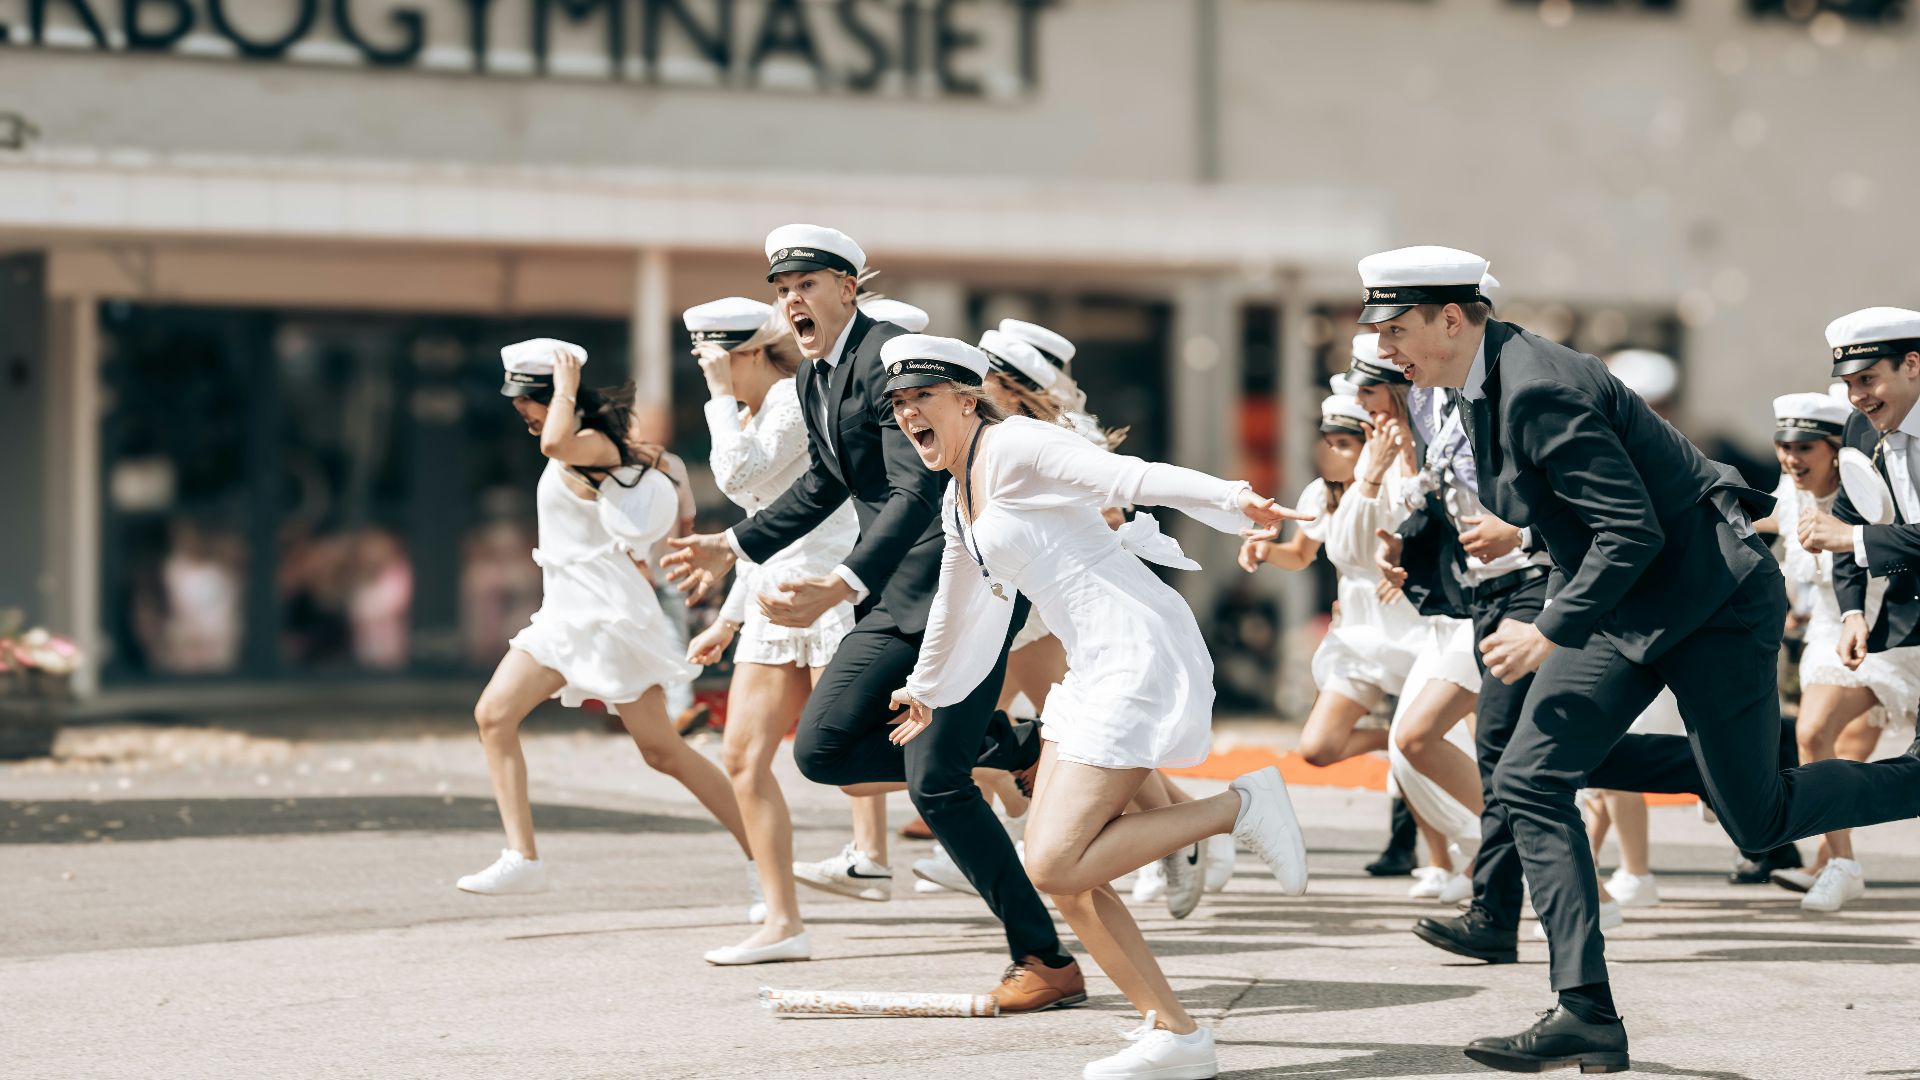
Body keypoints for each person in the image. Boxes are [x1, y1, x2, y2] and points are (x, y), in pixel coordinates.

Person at [1361, 248, 1920, 1073]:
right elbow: (1570, 513)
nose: (1385, 349)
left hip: (1713, 602)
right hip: (1630, 605)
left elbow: (1630, 529)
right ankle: (1584, 1011)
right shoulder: (1477, 382)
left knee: (1758, 817)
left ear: (1451, 318)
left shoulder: (1537, 383)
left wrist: (1547, 627)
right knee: (1528, 777)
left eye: (1396, 328)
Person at [663, 225, 1084, 1012]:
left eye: (808, 284)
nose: (791, 300)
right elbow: (825, 483)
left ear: (848, 289)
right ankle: (1015, 746)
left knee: (937, 786)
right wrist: (732, 542)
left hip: (964, 589)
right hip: (901, 596)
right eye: (780, 289)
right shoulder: (821, 376)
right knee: (822, 751)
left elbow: (916, 491)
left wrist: (839, 583)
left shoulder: (889, 358)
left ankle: (1045, 959)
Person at [882, 333, 1309, 1080]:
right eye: (898, 402)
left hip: (1131, 650)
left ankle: (1236, 809)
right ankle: (1175, 1035)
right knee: (1070, 881)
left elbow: (1129, 477)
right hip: (1091, 669)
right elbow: (957, 597)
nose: (907, 412)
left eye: (921, 396)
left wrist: (1232, 500)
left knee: (1052, 862)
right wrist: (924, 685)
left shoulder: (1014, 444)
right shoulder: (960, 493)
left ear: (963, 397)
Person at [457, 339, 752, 904]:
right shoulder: (615, 450)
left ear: (558, 398)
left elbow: (556, 439)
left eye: (530, 407)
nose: (528, 423)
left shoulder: (587, 444)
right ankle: (522, 857)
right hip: (568, 612)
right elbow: (676, 508)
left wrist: (566, 391)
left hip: (605, 615)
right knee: (494, 715)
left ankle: (765, 854)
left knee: (663, 752)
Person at [674, 298, 860, 965]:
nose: (705, 371)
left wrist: (720, 398)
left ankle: (1011, 762)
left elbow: (738, 477)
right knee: (742, 759)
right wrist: (727, 620)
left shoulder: (788, 399)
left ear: (744, 351)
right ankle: (784, 924)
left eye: (710, 358)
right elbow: (761, 532)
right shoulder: (753, 414)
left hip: (826, 596)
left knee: (859, 765)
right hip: (770, 603)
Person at [1749, 389, 1915, 913]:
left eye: (1804, 448)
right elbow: (1753, 524)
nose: (1791, 459)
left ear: (1833, 451)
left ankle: (1828, 859)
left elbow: (1867, 551)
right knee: (1814, 733)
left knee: (1848, 754)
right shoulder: (1788, 498)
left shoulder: (1872, 490)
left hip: (1892, 628)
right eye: (1783, 447)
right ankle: (1841, 863)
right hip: (1833, 633)